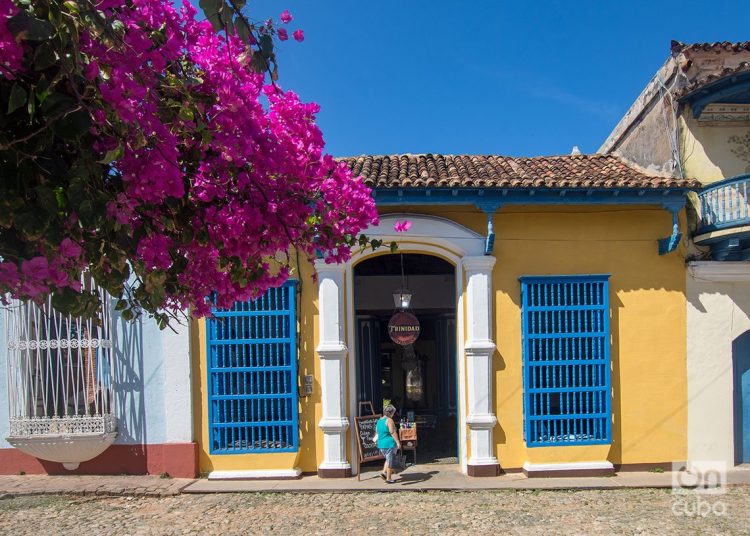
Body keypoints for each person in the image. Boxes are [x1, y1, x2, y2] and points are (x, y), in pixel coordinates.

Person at [376, 404, 401, 483]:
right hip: (389, 444)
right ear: (391, 413)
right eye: (393, 413)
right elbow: (392, 432)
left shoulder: (379, 420)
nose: (393, 415)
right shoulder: (389, 420)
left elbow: (377, 432)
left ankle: (383, 473)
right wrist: (398, 442)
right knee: (391, 461)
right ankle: (389, 478)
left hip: (381, 444)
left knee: (388, 459)